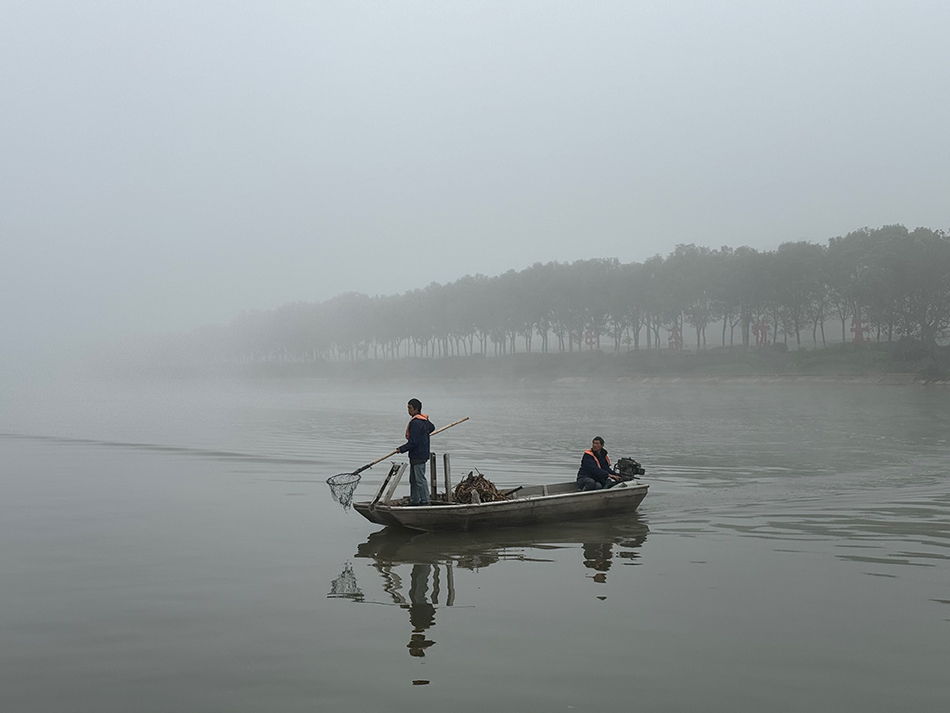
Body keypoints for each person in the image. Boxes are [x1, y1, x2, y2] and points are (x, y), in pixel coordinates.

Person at [397, 399, 436, 505]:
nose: (408, 410)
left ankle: (425, 501)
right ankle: (415, 500)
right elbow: (432, 428)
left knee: (419, 480)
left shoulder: (416, 423)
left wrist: (401, 449)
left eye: (410, 408)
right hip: (419, 455)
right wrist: (424, 434)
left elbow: (413, 442)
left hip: (418, 455)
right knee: (413, 480)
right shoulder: (423, 421)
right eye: (408, 408)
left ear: (416, 409)